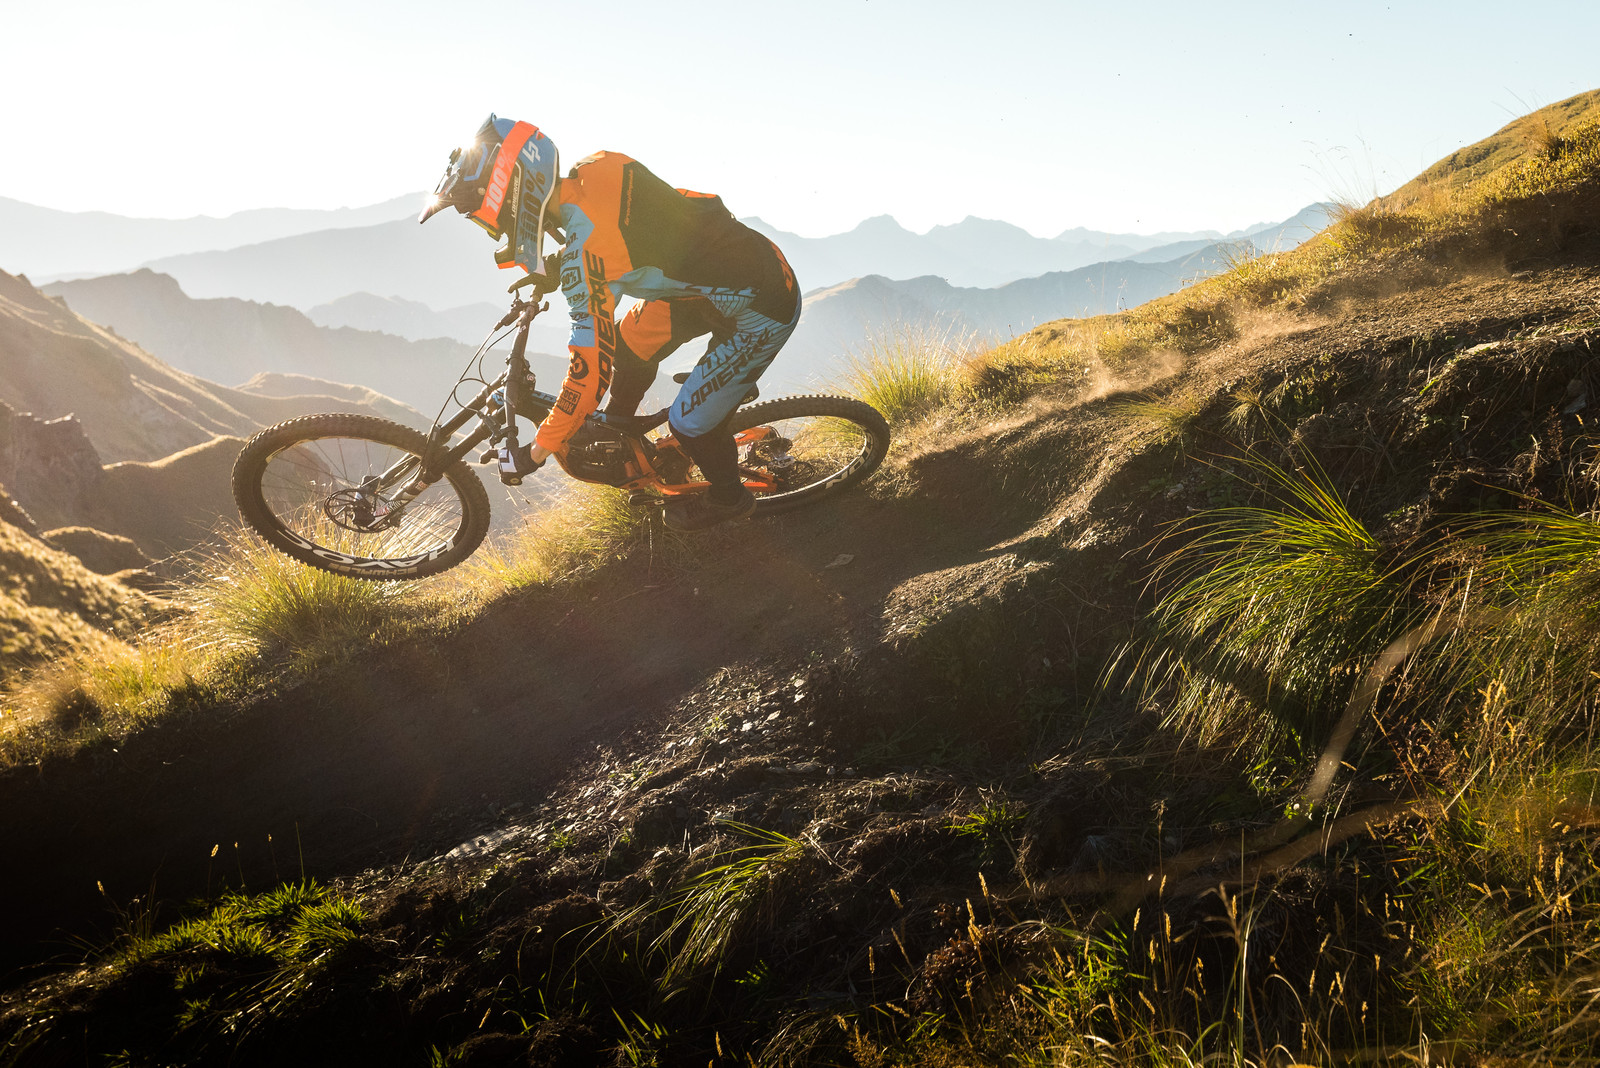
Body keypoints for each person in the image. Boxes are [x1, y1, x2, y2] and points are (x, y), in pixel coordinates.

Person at [419, 114, 801, 531]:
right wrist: (560, 264)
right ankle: (623, 430)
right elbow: (646, 230)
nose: (488, 227)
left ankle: (729, 497)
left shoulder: (587, 262)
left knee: (689, 423)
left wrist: (537, 451)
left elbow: (588, 374)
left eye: (480, 213)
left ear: (512, 196)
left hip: (762, 308)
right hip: (737, 271)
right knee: (629, 343)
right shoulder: (600, 164)